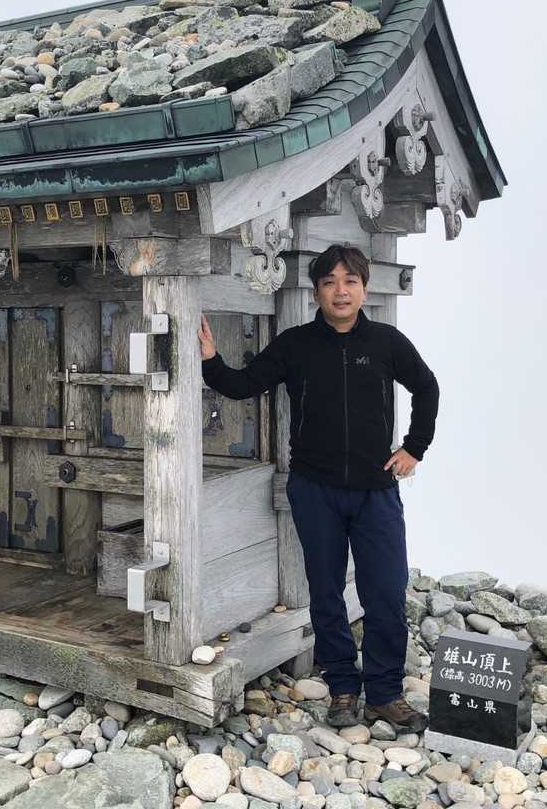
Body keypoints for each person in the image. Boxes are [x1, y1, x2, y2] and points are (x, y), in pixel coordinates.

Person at [198, 243, 439, 730]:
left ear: (364, 289)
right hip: (315, 490)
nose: (340, 291)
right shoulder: (296, 345)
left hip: (376, 491)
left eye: (350, 281)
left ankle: (385, 693)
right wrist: (211, 359)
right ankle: (344, 689)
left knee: (386, 592)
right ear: (317, 292)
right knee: (326, 594)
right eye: (330, 282)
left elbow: (427, 387)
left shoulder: (387, 342)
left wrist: (414, 448)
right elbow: (243, 385)